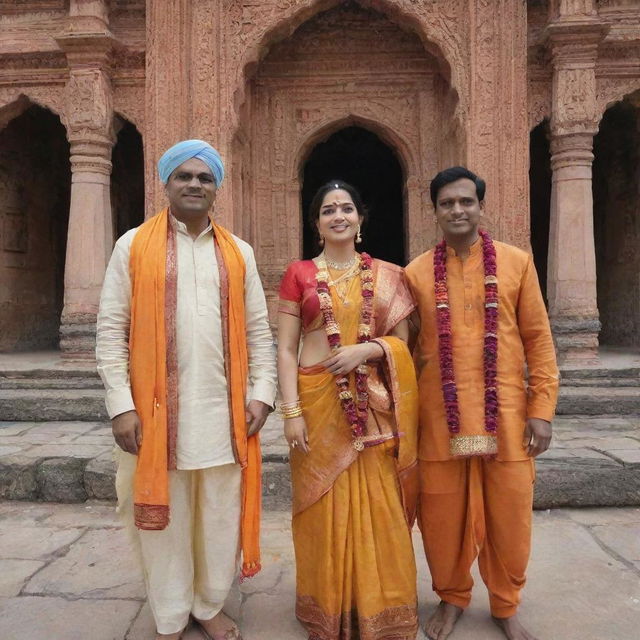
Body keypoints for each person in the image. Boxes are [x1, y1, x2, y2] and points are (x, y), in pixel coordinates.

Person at [96, 140, 277, 640]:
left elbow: (259, 332)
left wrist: (262, 392)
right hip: (155, 417)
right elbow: (112, 329)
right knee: (166, 522)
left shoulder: (239, 254)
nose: (195, 184)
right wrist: (121, 406)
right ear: (167, 182)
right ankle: (171, 614)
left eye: (205, 177)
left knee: (219, 517)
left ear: (216, 187)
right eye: (185, 176)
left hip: (225, 412)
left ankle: (209, 604)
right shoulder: (132, 246)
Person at [404, 166, 559, 640]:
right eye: (447, 203)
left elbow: (538, 339)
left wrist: (542, 410)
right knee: (442, 517)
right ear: (434, 211)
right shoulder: (414, 273)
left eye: (465, 201)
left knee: (511, 515)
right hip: (439, 418)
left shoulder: (516, 264)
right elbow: (404, 350)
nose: (457, 210)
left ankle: (505, 604)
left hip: (508, 417)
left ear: (480, 206)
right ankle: (451, 596)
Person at [277, 180, 420, 640]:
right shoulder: (298, 273)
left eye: (346, 209)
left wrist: (368, 350)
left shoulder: (389, 275)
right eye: (327, 210)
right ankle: (328, 608)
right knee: (320, 507)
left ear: (360, 219)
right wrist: (291, 412)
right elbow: (284, 349)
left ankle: (380, 609)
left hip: (374, 404)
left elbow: (403, 344)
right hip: (316, 403)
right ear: (316, 223)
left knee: (381, 506)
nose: (338, 216)